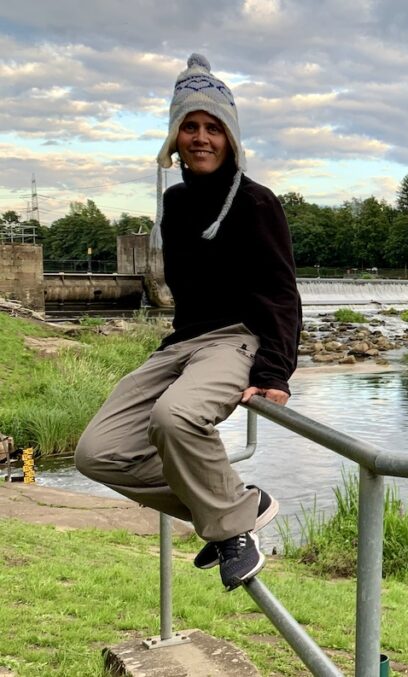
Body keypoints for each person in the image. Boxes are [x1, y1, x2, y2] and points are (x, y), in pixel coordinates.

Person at [75, 54, 301, 590]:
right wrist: (173, 352)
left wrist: (274, 373)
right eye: (190, 126)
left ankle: (230, 524)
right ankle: (232, 511)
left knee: (175, 417)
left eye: (213, 127)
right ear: (174, 138)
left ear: (231, 137)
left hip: (236, 339)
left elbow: (280, 292)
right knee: (96, 453)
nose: (202, 138)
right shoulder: (174, 203)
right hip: (181, 342)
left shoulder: (256, 201)